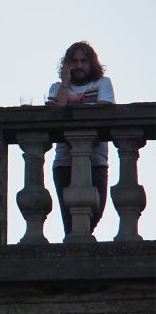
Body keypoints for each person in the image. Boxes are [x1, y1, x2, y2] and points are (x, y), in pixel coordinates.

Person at [45, 41, 115, 236]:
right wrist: (66, 83)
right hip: (64, 163)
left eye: (84, 61)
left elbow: (104, 108)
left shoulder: (102, 83)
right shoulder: (57, 87)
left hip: (97, 161)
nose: (79, 66)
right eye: (74, 61)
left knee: (97, 211)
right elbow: (55, 113)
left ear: (91, 63)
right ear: (67, 65)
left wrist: (67, 109)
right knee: (70, 221)